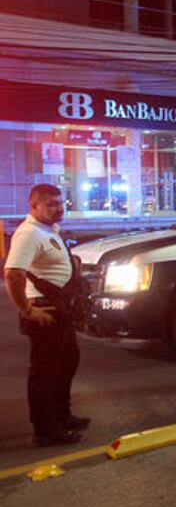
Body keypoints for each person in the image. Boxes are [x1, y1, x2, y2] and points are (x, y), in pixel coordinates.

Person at [3, 184, 89, 447]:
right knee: (45, 372)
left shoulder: (48, 230)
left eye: (60, 203)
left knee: (67, 362)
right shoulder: (28, 233)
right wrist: (27, 311)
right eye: (51, 204)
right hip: (44, 312)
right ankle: (45, 430)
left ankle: (62, 415)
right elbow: (13, 274)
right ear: (34, 206)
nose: (58, 208)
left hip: (59, 310)